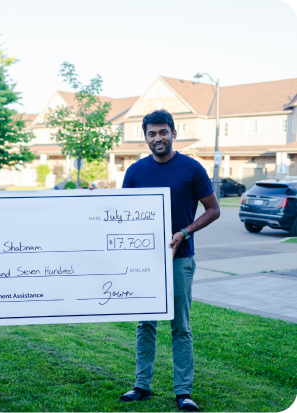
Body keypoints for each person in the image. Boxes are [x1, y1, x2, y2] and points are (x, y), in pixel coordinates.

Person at [118, 110, 220, 412]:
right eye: (151, 133)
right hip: (144, 261)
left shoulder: (191, 168)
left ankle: (183, 392)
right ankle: (141, 386)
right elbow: (123, 213)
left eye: (163, 132)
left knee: (181, 326)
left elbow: (213, 210)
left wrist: (185, 233)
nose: (157, 138)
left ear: (173, 133)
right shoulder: (135, 171)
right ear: (145, 137)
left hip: (179, 259)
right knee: (145, 323)